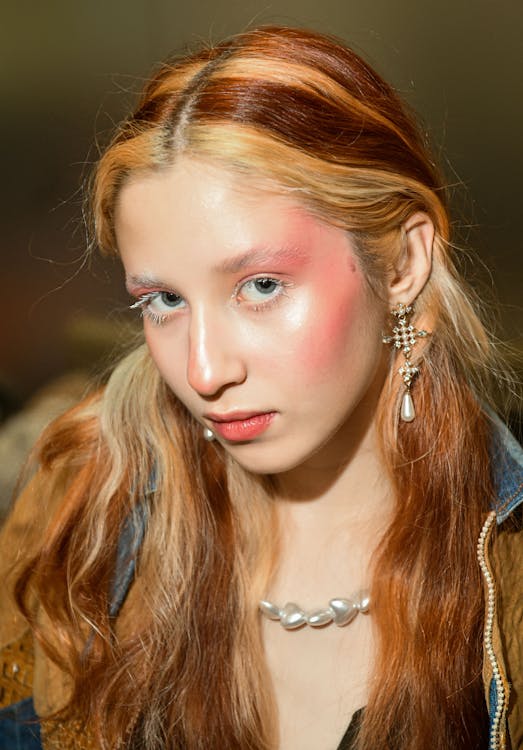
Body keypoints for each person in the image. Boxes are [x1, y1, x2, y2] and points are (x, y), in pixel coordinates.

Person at [0, 25, 521, 750]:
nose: (206, 372)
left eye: (261, 285)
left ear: (402, 264)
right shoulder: (78, 522)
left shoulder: (506, 574)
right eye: (164, 301)